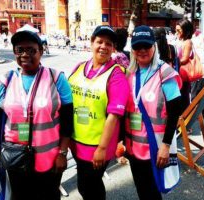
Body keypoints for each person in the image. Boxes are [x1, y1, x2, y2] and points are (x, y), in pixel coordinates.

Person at [0, 29, 73, 200]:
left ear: (41, 51)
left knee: (48, 196)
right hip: (16, 157)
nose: (25, 54)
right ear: (14, 53)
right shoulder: (7, 80)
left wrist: (63, 153)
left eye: (31, 50)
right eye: (20, 50)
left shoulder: (56, 78)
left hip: (49, 158)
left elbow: (67, 119)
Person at [68, 25, 129, 200]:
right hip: (77, 140)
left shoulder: (116, 75)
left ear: (113, 48)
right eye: (99, 41)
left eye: (108, 44)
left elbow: (114, 115)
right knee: (84, 185)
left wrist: (102, 148)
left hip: (99, 145)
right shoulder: (79, 67)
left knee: (90, 187)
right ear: (91, 42)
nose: (103, 46)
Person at [125, 25, 182, 200]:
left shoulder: (165, 73)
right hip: (133, 147)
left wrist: (165, 146)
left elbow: (175, 112)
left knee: (152, 192)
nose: (142, 50)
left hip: (154, 147)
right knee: (142, 190)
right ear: (132, 49)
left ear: (154, 47)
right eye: (137, 47)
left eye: (146, 46)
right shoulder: (129, 73)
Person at [175, 19, 194, 113]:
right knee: (182, 97)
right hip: (180, 73)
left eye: (179, 30)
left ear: (186, 30)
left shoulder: (187, 42)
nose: (176, 32)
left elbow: (185, 59)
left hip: (183, 74)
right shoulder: (182, 41)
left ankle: (185, 123)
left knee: (184, 98)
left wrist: (173, 62)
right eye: (176, 30)